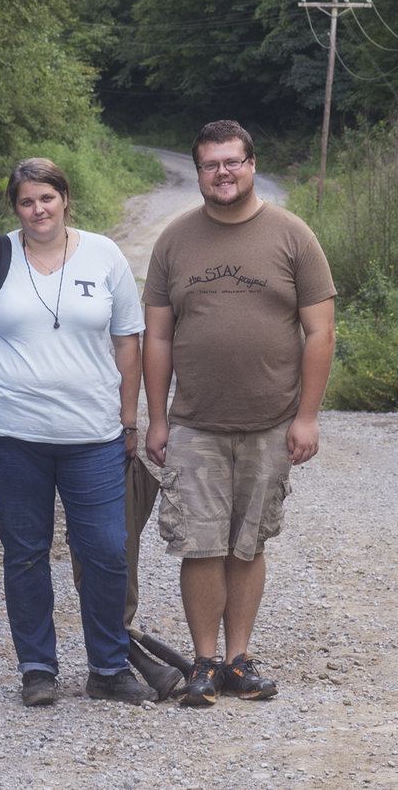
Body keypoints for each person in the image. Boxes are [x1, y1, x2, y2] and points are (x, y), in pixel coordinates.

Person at [0, 159, 158, 707]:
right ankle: (38, 668)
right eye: (26, 201)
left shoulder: (104, 254)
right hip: (7, 433)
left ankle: (108, 668)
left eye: (47, 198)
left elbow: (128, 341)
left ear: (66, 198)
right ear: (15, 208)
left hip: (93, 434)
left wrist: (129, 418)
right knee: (25, 552)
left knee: (108, 550)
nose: (38, 210)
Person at [142, 119, 337, 707]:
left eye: (233, 162)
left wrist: (306, 417)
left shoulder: (293, 236)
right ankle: (203, 662)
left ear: (252, 164)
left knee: (247, 545)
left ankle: (238, 661)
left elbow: (321, 331)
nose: (222, 173)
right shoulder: (175, 240)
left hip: (271, 421)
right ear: (197, 171)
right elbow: (156, 337)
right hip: (195, 422)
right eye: (210, 164)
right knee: (201, 545)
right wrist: (157, 419)